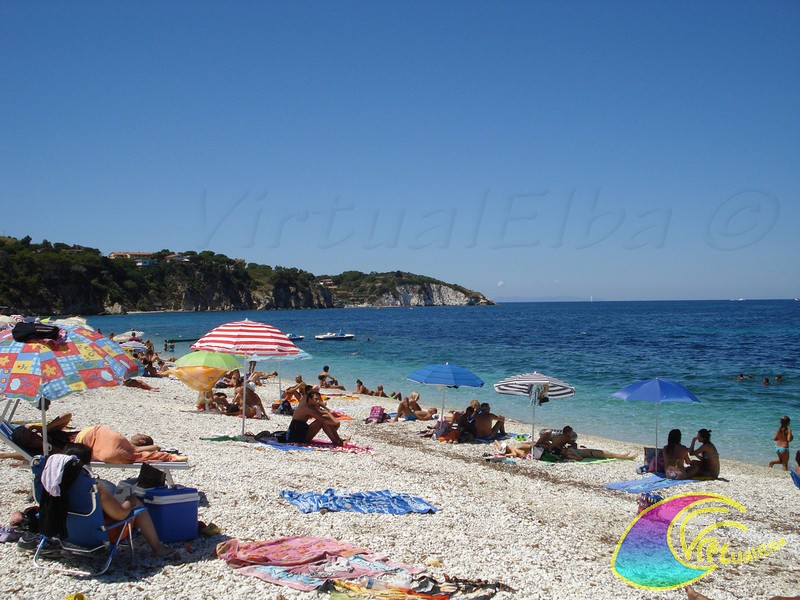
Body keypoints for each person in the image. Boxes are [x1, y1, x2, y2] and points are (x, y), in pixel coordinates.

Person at [63, 443, 174, 557]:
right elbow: (120, 515)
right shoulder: (94, 488)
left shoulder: (54, 485)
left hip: (67, 532)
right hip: (99, 534)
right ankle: (157, 548)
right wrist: (131, 500)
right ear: (87, 463)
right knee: (136, 504)